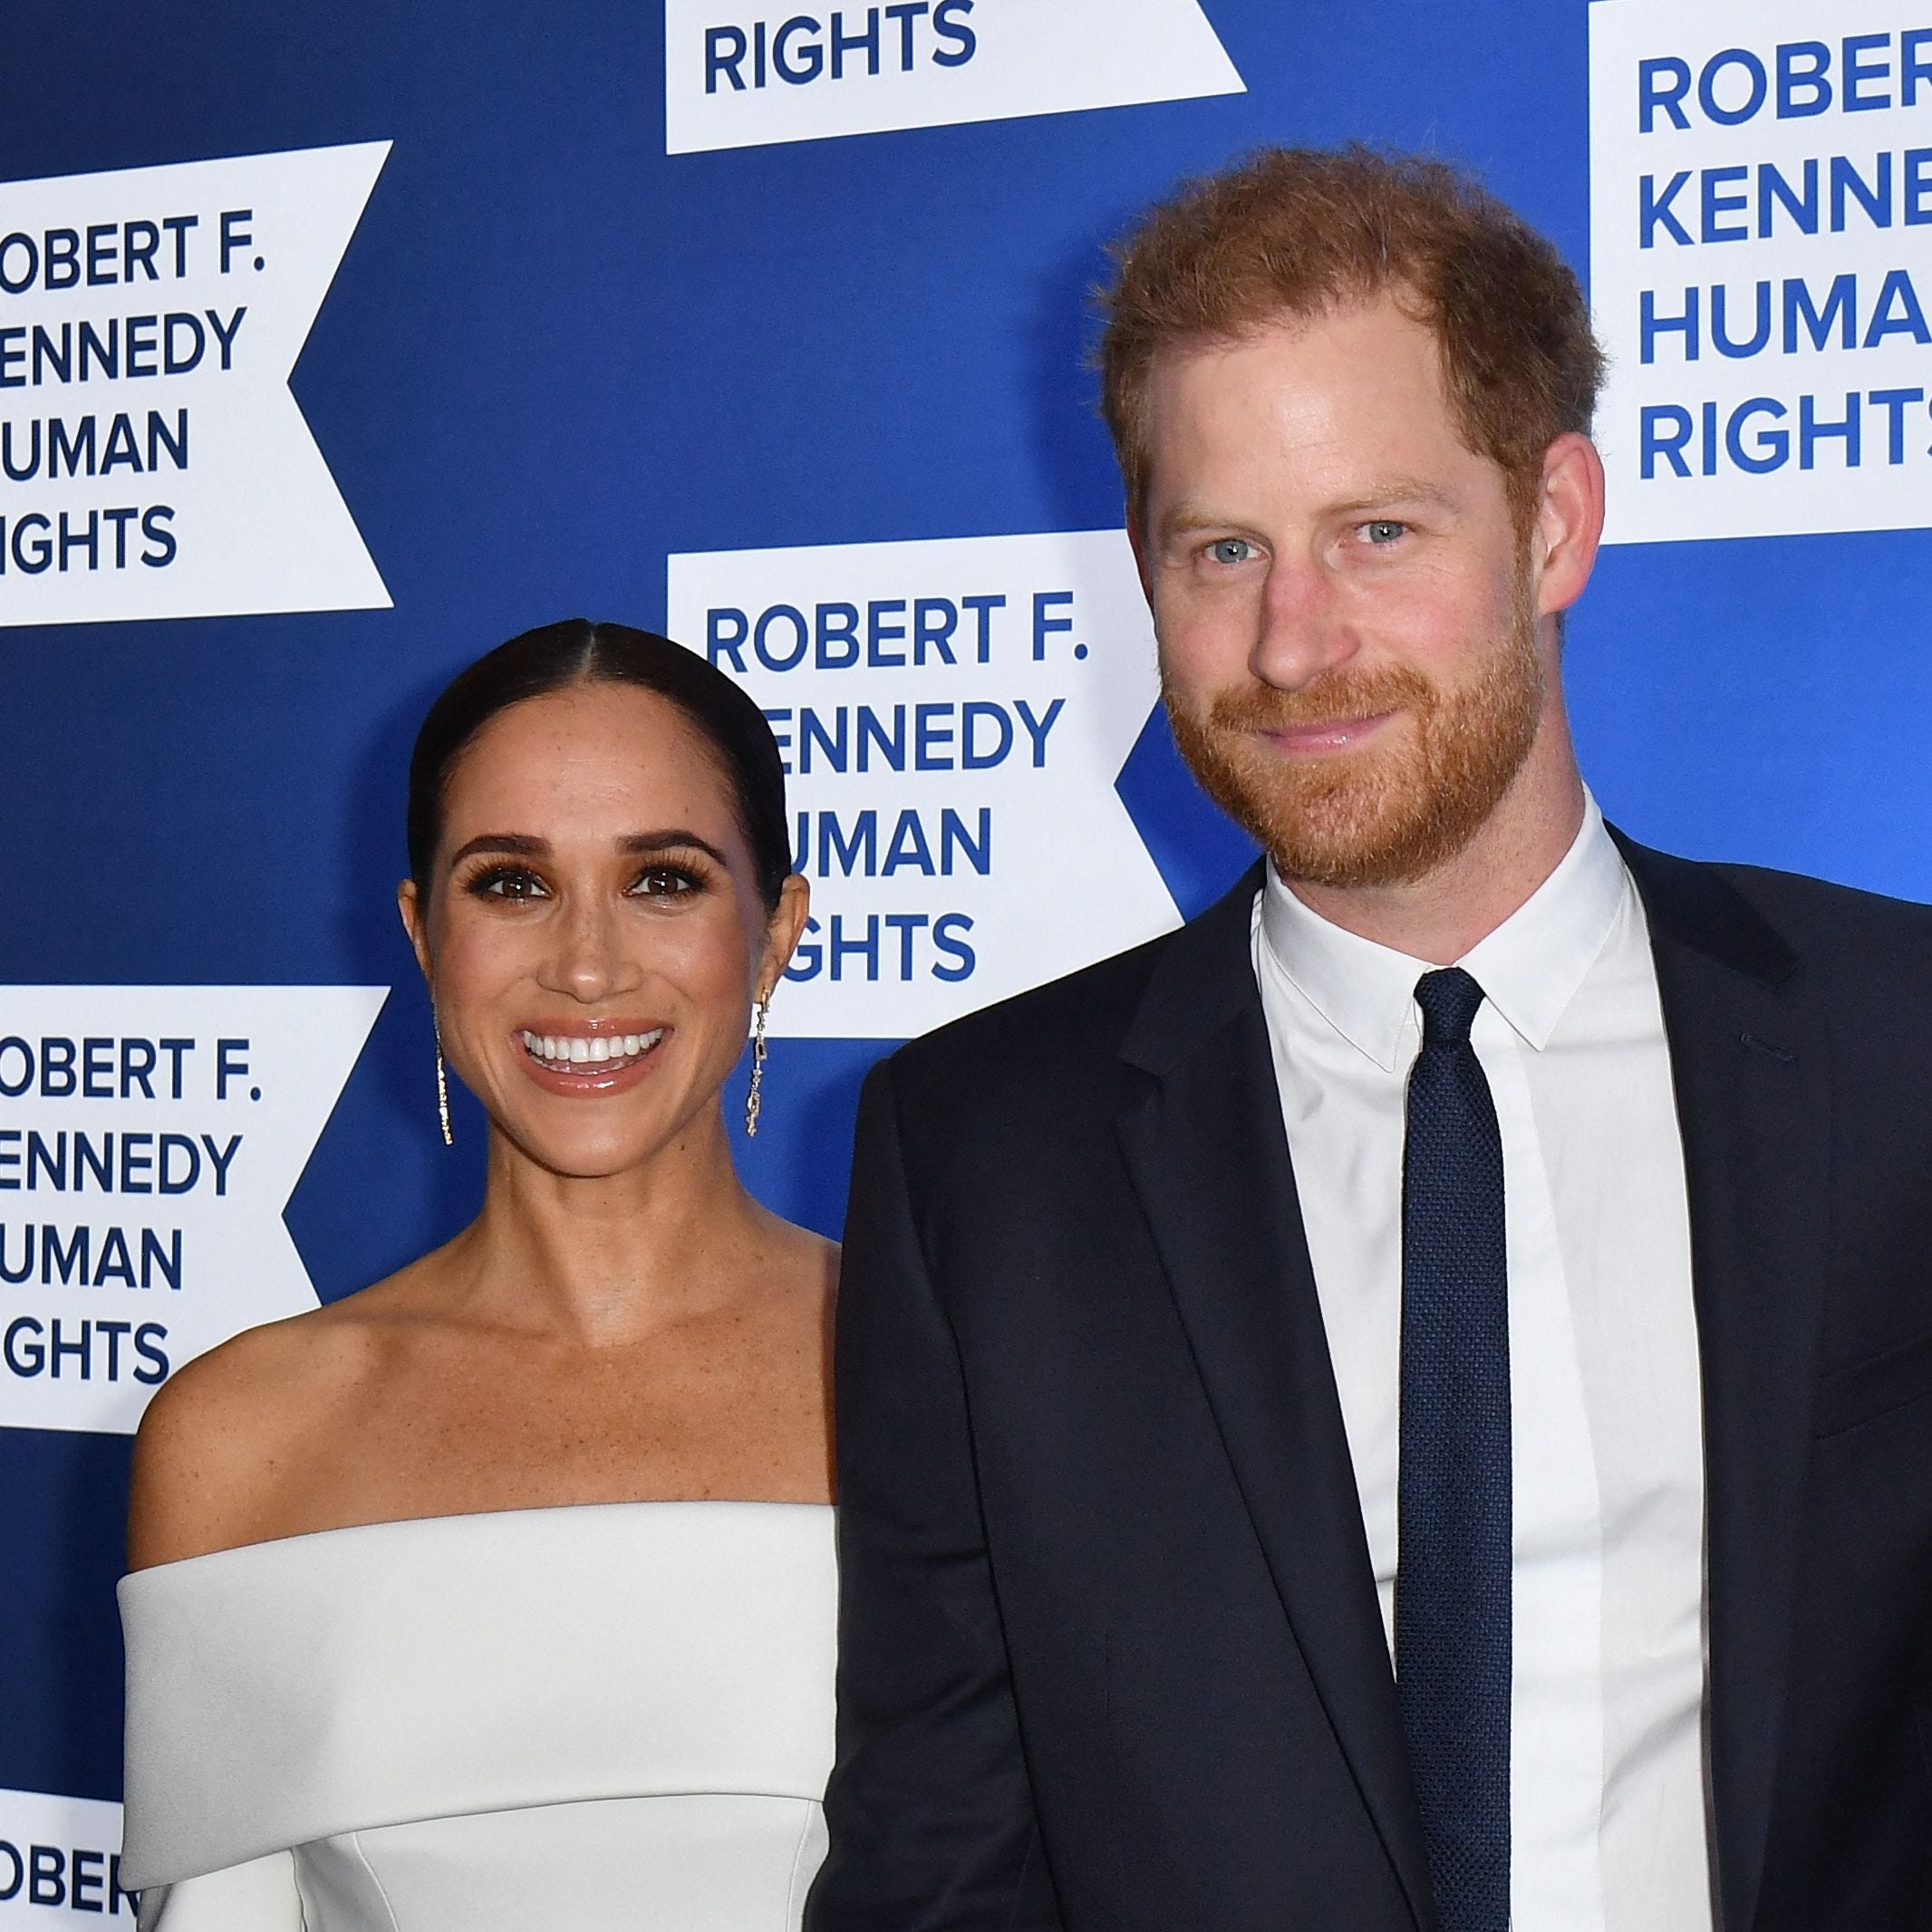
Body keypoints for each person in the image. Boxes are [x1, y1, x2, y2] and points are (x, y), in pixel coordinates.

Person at [808, 148, 1932, 1932]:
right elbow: (937, 1843)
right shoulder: (976, 1152)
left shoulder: (1896, 1049)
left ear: (1553, 521)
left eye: (1376, 533)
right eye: (1221, 549)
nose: (1292, 641)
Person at [119, 620, 837, 1929]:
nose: (584, 965)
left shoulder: (954, 1372)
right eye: (511, 883)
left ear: (776, 928)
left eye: (663, 881)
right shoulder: (246, 1436)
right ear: (421, 932)